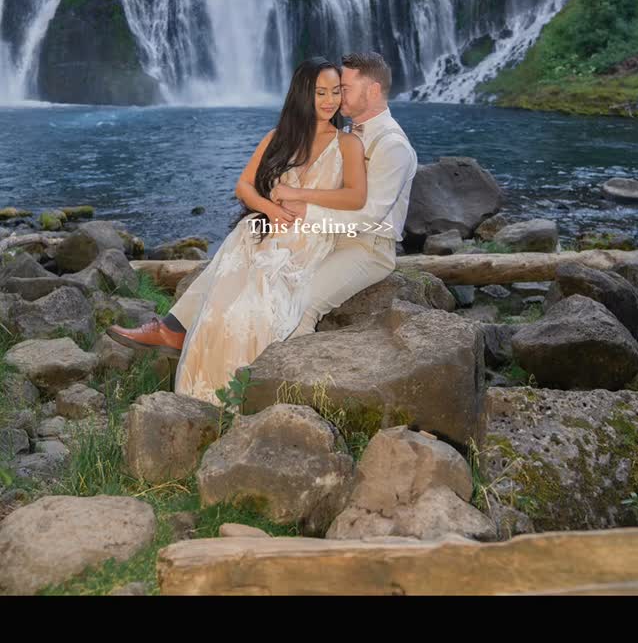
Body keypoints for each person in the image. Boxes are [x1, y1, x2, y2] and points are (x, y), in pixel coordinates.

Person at [106, 51, 418, 402]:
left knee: (297, 304)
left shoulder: (391, 145)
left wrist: (301, 209)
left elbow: (368, 214)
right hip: (323, 233)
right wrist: (274, 210)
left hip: (365, 245)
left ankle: (288, 398)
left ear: (372, 91)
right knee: (237, 264)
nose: (337, 96)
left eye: (343, 88)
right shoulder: (342, 132)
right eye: (329, 90)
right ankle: (177, 332)